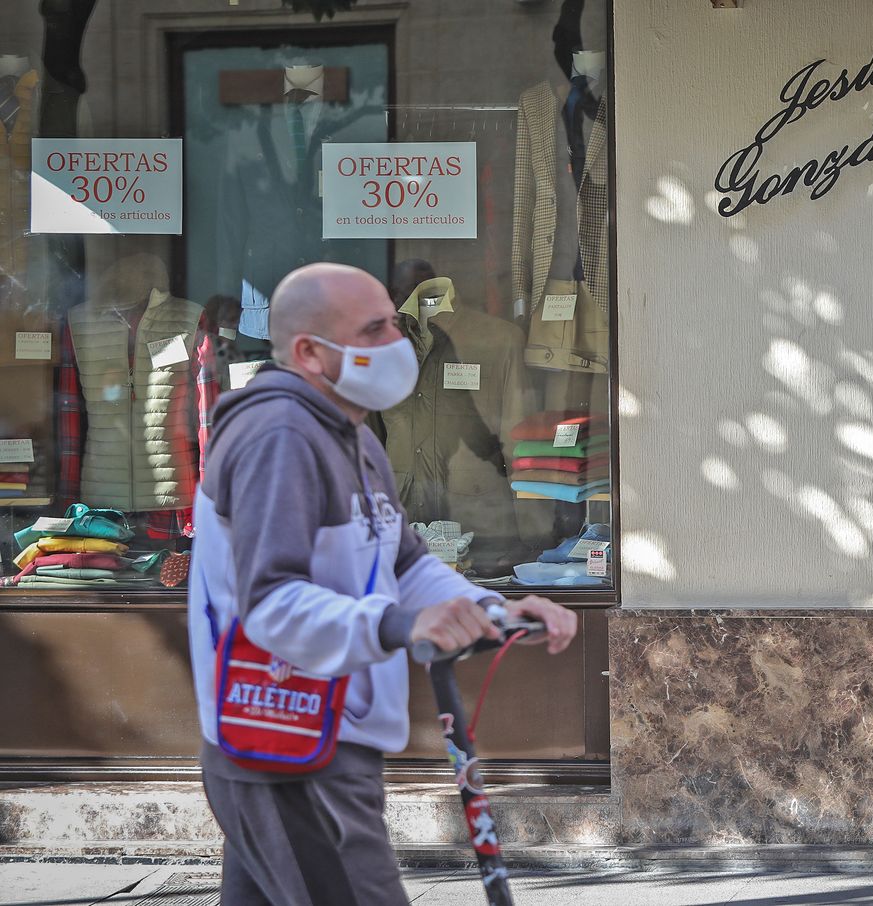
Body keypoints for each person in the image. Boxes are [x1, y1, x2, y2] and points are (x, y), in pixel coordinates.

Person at [185, 262, 578, 905]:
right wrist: (397, 625)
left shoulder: (353, 432)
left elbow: (403, 562)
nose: (398, 341)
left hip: (323, 728)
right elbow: (270, 602)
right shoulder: (279, 435)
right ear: (310, 351)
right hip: (289, 739)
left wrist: (490, 609)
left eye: (394, 324)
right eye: (376, 329)